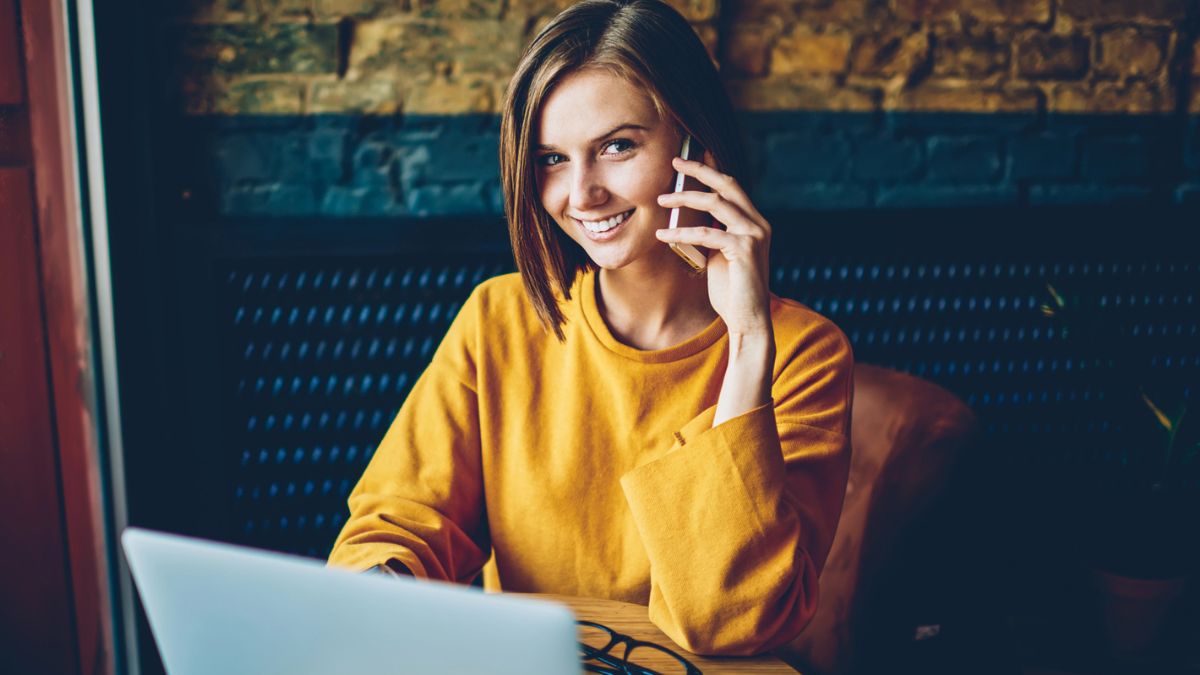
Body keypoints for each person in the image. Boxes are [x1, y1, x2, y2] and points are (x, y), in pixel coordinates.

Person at [327, 0, 853, 656]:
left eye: (616, 147)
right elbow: (395, 524)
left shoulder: (803, 352)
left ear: (697, 149)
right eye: (551, 159)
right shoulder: (500, 319)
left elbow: (729, 621)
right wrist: (375, 594)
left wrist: (746, 344)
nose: (581, 194)